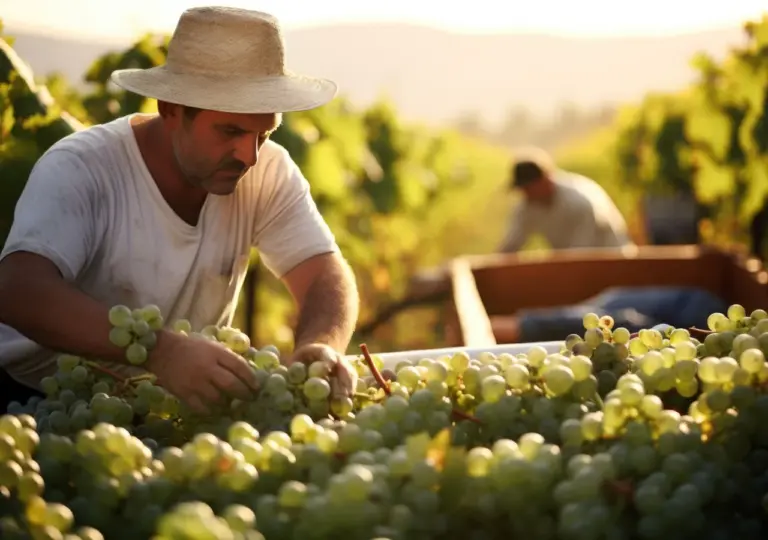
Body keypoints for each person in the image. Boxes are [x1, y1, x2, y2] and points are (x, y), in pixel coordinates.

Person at [0, 6, 360, 414]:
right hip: (31, 403)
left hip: (164, 410)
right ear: (170, 109)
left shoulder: (269, 171)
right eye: (231, 131)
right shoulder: (82, 168)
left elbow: (324, 273)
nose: (250, 155)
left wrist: (322, 343)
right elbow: (18, 291)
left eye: (264, 132)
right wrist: (156, 350)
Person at [499, 148, 633, 253]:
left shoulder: (580, 202)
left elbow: (583, 253)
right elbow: (511, 245)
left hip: (613, 260)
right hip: (576, 267)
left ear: (544, 180)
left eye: (528, 187)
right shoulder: (528, 206)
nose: (525, 193)